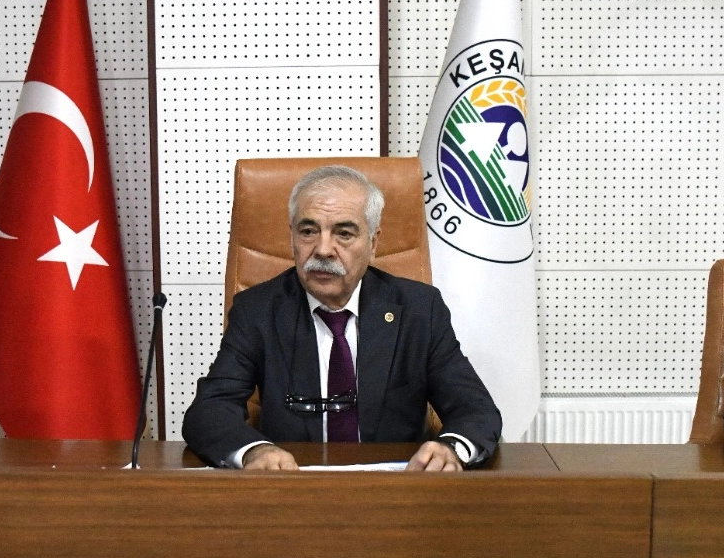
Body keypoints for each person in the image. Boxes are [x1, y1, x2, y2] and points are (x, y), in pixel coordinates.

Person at [182, 164, 501, 471]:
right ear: (292, 237)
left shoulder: (419, 310)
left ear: (373, 243)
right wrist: (255, 451)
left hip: (397, 490)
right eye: (308, 231)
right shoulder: (258, 310)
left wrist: (451, 449)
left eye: (344, 233)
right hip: (293, 485)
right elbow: (210, 410)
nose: (323, 249)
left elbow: (476, 410)